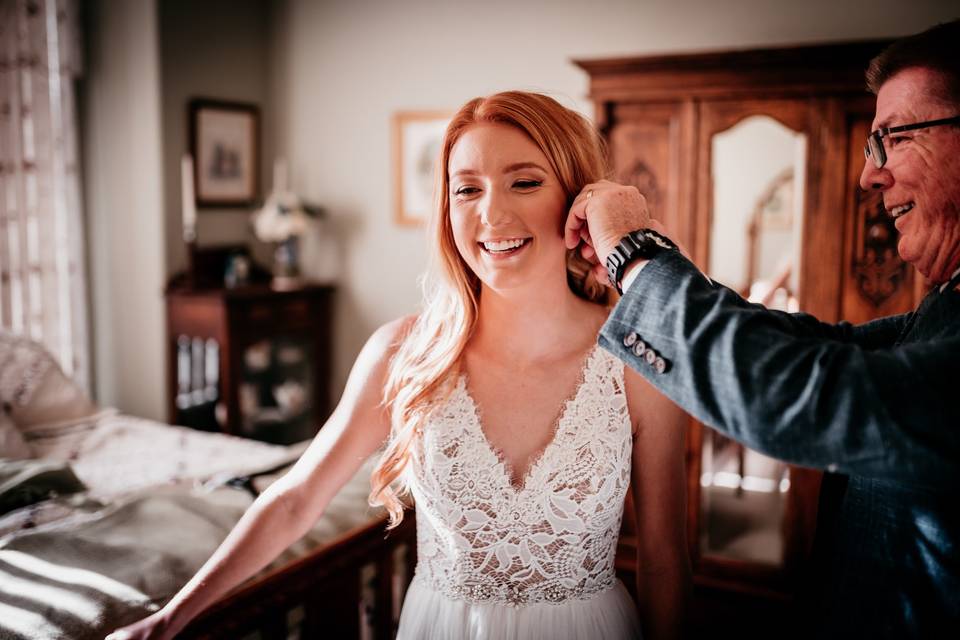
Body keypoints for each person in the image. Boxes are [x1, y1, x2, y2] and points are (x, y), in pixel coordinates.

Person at [108, 91, 691, 640]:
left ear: (579, 201)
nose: (492, 213)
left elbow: (665, 558)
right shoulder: (404, 353)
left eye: (525, 181)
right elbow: (295, 501)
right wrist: (168, 620)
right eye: (467, 189)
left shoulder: (638, 357)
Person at [564, 20, 960, 638]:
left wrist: (634, 258)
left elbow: (806, 393)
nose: (869, 176)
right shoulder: (945, 308)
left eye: (894, 138)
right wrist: (648, 261)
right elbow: (815, 345)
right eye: (871, 144)